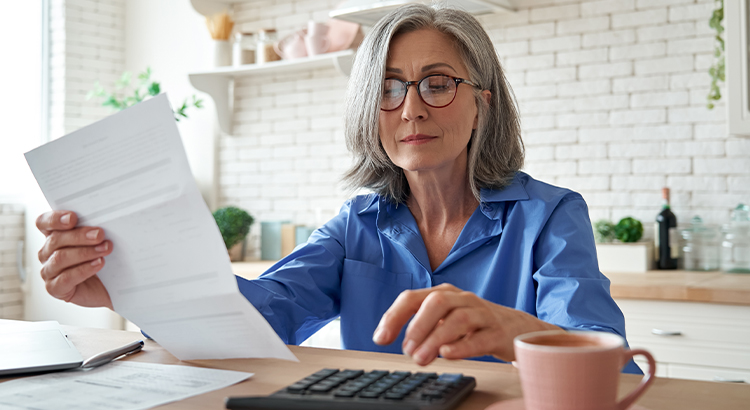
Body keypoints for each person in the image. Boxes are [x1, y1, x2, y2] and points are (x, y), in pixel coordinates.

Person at [34, 4, 641, 373]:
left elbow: (607, 357)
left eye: (436, 84)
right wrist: (127, 284)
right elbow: (261, 316)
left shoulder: (550, 216)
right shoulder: (358, 224)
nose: (410, 109)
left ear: (481, 104)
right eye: (388, 88)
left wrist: (512, 331)